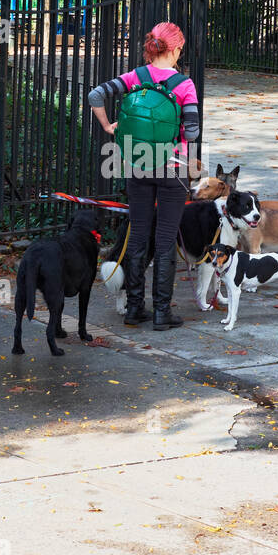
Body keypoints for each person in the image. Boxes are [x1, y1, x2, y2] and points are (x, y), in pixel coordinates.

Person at [87, 22, 200, 330]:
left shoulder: (135, 76)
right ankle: (163, 312)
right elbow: (192, 130)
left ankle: (134, 308)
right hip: (173, 169)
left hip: (137, 165)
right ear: (176, 49)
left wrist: (109, 126)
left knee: (138, 235)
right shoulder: (184, 85)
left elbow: (95, 95)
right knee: (165, 240)